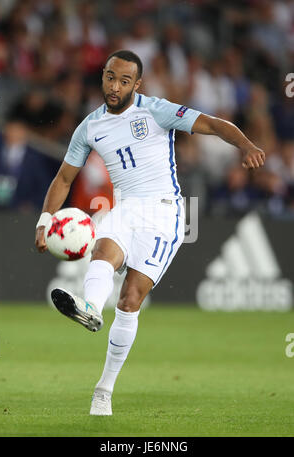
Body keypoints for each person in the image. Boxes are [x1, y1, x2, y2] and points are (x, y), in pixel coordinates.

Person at [35, 50, 266, 416]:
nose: (115, 86)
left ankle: (103, 390)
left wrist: (247, 144)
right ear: (103, 76)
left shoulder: (156, 110)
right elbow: (64, 178)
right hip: (124, 206)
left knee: (129, 301)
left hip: (164, 213)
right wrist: (45, 220)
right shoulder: (90, 127)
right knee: (103, 253)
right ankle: (91, 308)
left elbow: (213, 123)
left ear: (137, 84)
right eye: (110, 77)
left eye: (124, 80)